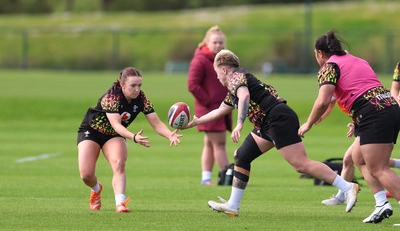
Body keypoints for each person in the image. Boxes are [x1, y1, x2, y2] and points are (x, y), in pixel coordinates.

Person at [185, 49, 360, 217]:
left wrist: (239, 123)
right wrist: (196, 121)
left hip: (277, 119)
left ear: (224, 69)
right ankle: (233, 205)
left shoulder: (235, 77)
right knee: (242, 156)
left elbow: (244, 96)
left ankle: (347, 187)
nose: (217, 77)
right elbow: (221, 110)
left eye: (217, 73)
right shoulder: (235, 85)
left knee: (301, 164)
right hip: (267, 122)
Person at [298, 29, 400, 224]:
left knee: (379, 168)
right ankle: (381, 204)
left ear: (320, 53)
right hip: (387, 107)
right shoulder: (358, 60)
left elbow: (323, 101)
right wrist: (357, 119)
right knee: (357, 157)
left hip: (374, 113)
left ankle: (384, 202)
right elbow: (364, 87)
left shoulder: (328, 67)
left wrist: (308, 124)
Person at [77, 67, 182, 213]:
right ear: (122, 84)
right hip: (92, 130)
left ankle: (120, 203)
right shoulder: (112, 97)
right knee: (86, 174)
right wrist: (133, 137)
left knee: (119, 163)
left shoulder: (141, 99)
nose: (137, 89)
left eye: (139, 85)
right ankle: (96, 189)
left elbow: (156, 123)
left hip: (114, 135)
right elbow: (116, 124)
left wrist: (169, 134)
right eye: (133, 85)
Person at [187, 25, 232, 186]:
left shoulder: (223, 59)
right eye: (215, 42)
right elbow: (192, 84)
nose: (218, 46)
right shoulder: (200, 59)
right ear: (207, 42)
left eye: (221, 43)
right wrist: (208, 101)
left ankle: (206, 178)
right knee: (219, 143)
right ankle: (228, 175)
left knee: (210, 143)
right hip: (211, 108)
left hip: (221, 107)